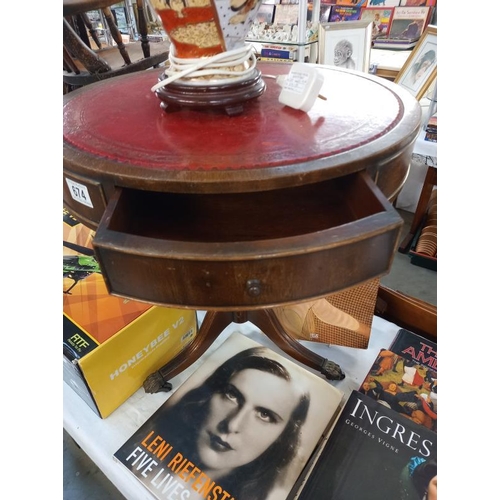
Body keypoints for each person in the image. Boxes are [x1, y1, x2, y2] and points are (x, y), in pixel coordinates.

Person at [144, 346, 311, 500]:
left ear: (282, 437)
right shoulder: (145, 450)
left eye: (264, 414)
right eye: (232, 396)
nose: (232, 425)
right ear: (208, 395)